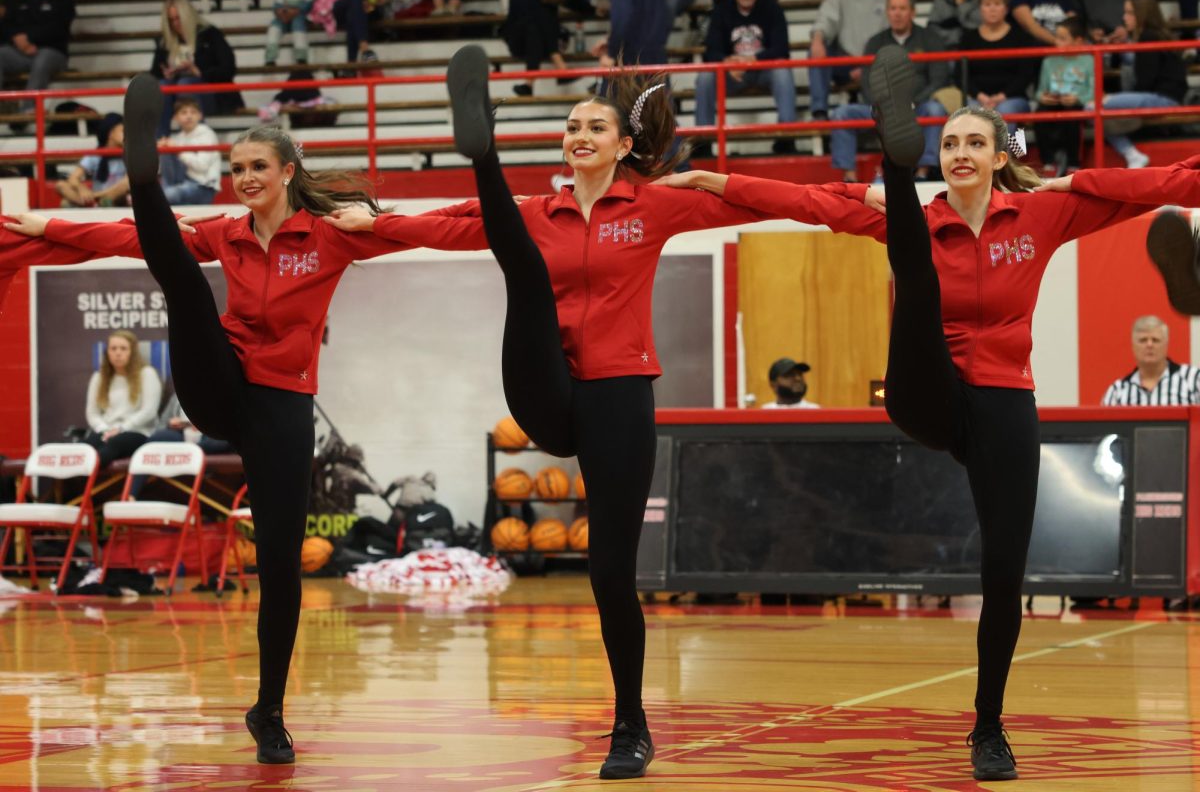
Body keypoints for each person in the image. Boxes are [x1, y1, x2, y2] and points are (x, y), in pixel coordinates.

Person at [321, 45, 882, 779]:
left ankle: (630, 723)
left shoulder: (653, 204)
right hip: (546, 386)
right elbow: (453, 224)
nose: (578, 134)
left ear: (623, 144)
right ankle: (480, 148)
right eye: (570, 125)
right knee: (513, 249)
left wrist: (858, 200)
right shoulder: (539, 212)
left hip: (618, 394)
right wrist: (377, 224)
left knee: (610, 570)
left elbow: (764, 203)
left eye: (594, 126)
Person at [656, 46, 1200, 780]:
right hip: (924, 386)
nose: (961, 152)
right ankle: (891, 151)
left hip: (1004, 396)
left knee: (1005, 568)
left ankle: (988, 725)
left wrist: (1079, 176)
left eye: (974, 141)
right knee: (905, 246)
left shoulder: (1042, 214)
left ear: (999, 157)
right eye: (948, 144)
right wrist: (716, 176)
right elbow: (807, 204)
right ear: (937, 156)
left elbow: (1165, 186)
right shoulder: (912, 214)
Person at [14, 74, 467, 765]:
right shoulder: (225, 233)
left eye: (258, 167)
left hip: (282, 407)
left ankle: (270, 710)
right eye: (236, 169)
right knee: (186, 284)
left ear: (289, 171)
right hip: (219, 384)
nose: (246, 178)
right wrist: (49, 223)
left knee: (281, 564)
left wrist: (476, 209)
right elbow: (127, 241)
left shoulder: (330, 234)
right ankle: (145, 179)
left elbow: (436, 228)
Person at [830, 0, 950, 182]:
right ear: (887, 12)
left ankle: (923, 173)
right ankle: (849, 177)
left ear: (912, 12)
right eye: (893, 9)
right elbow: (867, 81)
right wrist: (883, 105)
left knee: (935, 109)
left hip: (918, 106)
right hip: (881, 108)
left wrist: (912, 102)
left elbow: (938, 79)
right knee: (842, 114)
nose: (897, 14)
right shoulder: (875, 42)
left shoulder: (930, 38)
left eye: (902, 8)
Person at [1087, 0, 1188, 169]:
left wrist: (1118, 101)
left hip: (1162, 97)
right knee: (1094, 109)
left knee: (1091, 108)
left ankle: (1131, 153)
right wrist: (1124, 46)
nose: (1124, 17)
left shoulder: (1148, 37)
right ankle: (1132, 154)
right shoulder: (1146, 36)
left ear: (1141, 15)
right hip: (1158, 94)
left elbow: (1144, 80)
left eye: (1129, 13)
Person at [694, 0, 797, 156]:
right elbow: (711, 52)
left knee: (783, 71)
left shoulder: (772, 8)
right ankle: (703, 141)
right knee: (705, 77)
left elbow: (781, 49)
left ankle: (787, 136)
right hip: (733, 73)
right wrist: (728, 62)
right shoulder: (721, 10)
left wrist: (752, 60)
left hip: (763, 69)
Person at [151, 0, 242, 136]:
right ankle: (160, 141)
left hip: (211, 93)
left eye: (178, 18)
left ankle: (198, 140)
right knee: (163, 85)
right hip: (175, 97)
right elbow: (155, 73)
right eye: (171, 20)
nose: (175, 24)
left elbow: (228, 69)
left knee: (185, 83)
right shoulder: (165, 41)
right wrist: (166, 73)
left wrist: (199, 72)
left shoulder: (210, 34)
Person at [128, 384, 233, 499]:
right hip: (181, 437)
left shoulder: (223, 389)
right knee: (155, 440)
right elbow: (161, 426)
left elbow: (229, 422)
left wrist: (205, 425)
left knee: (222, 441)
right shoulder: (179, 392)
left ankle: (191, 450)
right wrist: (171, 424)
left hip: (209, 435)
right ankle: (131, 496)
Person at [959, 0, 1038, 131]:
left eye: (997, 4)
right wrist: (980, 96)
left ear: (1006, 8)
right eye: (987, 5)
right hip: (977, 99)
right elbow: (960, 75)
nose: (992, 9)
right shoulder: (968, 38)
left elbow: (1025, 75)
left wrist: (1001, 97)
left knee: (1005, 111)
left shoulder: (1021, 37)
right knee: (973, 113)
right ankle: (979, 153)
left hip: (1013, 99)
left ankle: (1009, 152)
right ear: (980, 8)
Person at [83, 329, 163, 467]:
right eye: (113, 348)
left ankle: (90, 481)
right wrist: (104, 428)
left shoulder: (147, 374)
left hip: (138, 432)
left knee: (114, 444)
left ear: (133, 351)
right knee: (87, 445)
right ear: (107, 352)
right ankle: (73, 487)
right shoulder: (99, 377)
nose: (118, 353)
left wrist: (121, 428)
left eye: (123, 348)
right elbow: (92, 413)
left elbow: (149, 411)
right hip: (106, 431)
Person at [807, 0, 887, 120]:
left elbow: (895, 38)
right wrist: (817, 40)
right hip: (845, 61)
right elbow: (825, 20)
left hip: (877, 62)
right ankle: (819, 112)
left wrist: (868, 68)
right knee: (815, 52)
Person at [0, 0, 74, 128]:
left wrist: (29, 38)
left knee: (43, 59)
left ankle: (27, 110)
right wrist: (16, 38)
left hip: (54, 52)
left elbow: (59, 29)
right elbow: (6, 25)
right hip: (19, 52)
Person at [501, 0, 595, 97]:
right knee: (534, 23)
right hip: (521, 43)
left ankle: (529, 84)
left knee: (536, 25)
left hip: (542, 43)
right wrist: (592, 10)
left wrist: (593, 10)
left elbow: (572, 0)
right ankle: (559, 65)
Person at [1033, 16, 1093, 177]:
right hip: (1053, 101)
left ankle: (1074, 164)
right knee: (1039, 114)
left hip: (1076, 102)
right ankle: (1048, 163)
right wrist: (1043, 97)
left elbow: (1094, 91)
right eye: (1056, 37)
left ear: (1078, 41)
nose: (1057, 42)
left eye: (1063, 39)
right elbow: (1039, 91)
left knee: (1073, 115)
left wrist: (1078, 98)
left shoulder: (1088, 60)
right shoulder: (1049, 60)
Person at [1101, 315, 1200, 405]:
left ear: (1166, 344)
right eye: (1143, 340)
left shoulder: (1193, 379)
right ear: (1133, 346)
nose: (1149, 345)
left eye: (1155, 340)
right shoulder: (1117, 391)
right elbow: (1105, 425)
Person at [55, 113, 131, 208]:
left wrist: (96, 195)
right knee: (61, 185)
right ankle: (93, 203)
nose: (127, 135)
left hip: (114, 197)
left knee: (126, 184)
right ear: (111, 133)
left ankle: (94, 203)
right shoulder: (95, 155)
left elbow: (127, 183)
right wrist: (82, 189)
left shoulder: (129, 155)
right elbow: (73, 178)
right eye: (123, 131)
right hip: (94, 197)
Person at [159, 98, 221, 205]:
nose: (189, 116)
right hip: (181, 184)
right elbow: (163, 170)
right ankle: (166, 192)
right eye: (184, 112)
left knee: (166, 195)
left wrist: (178, 151)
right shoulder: (178, 138)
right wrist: (161, 149)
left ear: (200, 116)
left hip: (203, 187)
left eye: (193, 112)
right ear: (175, 117)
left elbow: (202, 166)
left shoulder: (207, 134)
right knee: (165, 149)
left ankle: (165, 194)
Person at [263, 0, 314, 66]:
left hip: (300, 15)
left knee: (298, 26)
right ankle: (270, 59)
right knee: (274, 28)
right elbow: (277, 4)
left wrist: (292, 12)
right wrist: (282, 13)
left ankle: (301, 58)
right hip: (284, 15)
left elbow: (308, 4)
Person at [1010, 0, 1077, 45]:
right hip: (1034, 49)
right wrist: (1057, 42)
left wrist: (1074, 41)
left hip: (1065, 47)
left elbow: (1074, 24)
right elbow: (1030, 26)